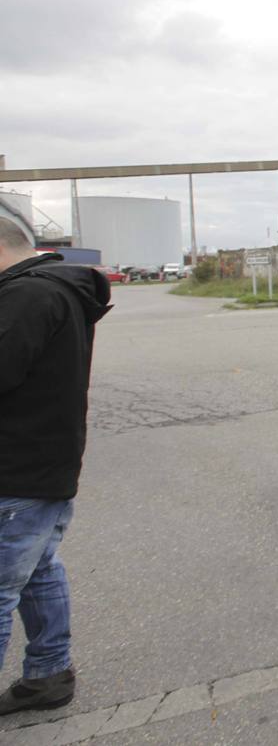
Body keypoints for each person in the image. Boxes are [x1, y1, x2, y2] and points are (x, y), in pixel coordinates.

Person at [0, 218, 111, 715]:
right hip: (42, 469)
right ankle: (48, 673)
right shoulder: (53, 289)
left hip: (17, 472)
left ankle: (49, 671)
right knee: (38, 572)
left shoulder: (26, 297)